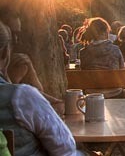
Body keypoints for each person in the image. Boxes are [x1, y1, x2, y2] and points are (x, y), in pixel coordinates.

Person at [0, 21, 81, 156]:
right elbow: (66, 149)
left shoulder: (19, 94)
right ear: (4, 52)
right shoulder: (21, 96)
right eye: (14, 39)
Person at [0, 8, 64, 114]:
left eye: (17, 34)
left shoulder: (17, 60)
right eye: (12, 33)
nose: (16, 39)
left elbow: (41, 98)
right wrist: (11, 79)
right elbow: (11, 105)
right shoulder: (11, 65)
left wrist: (31, 71)